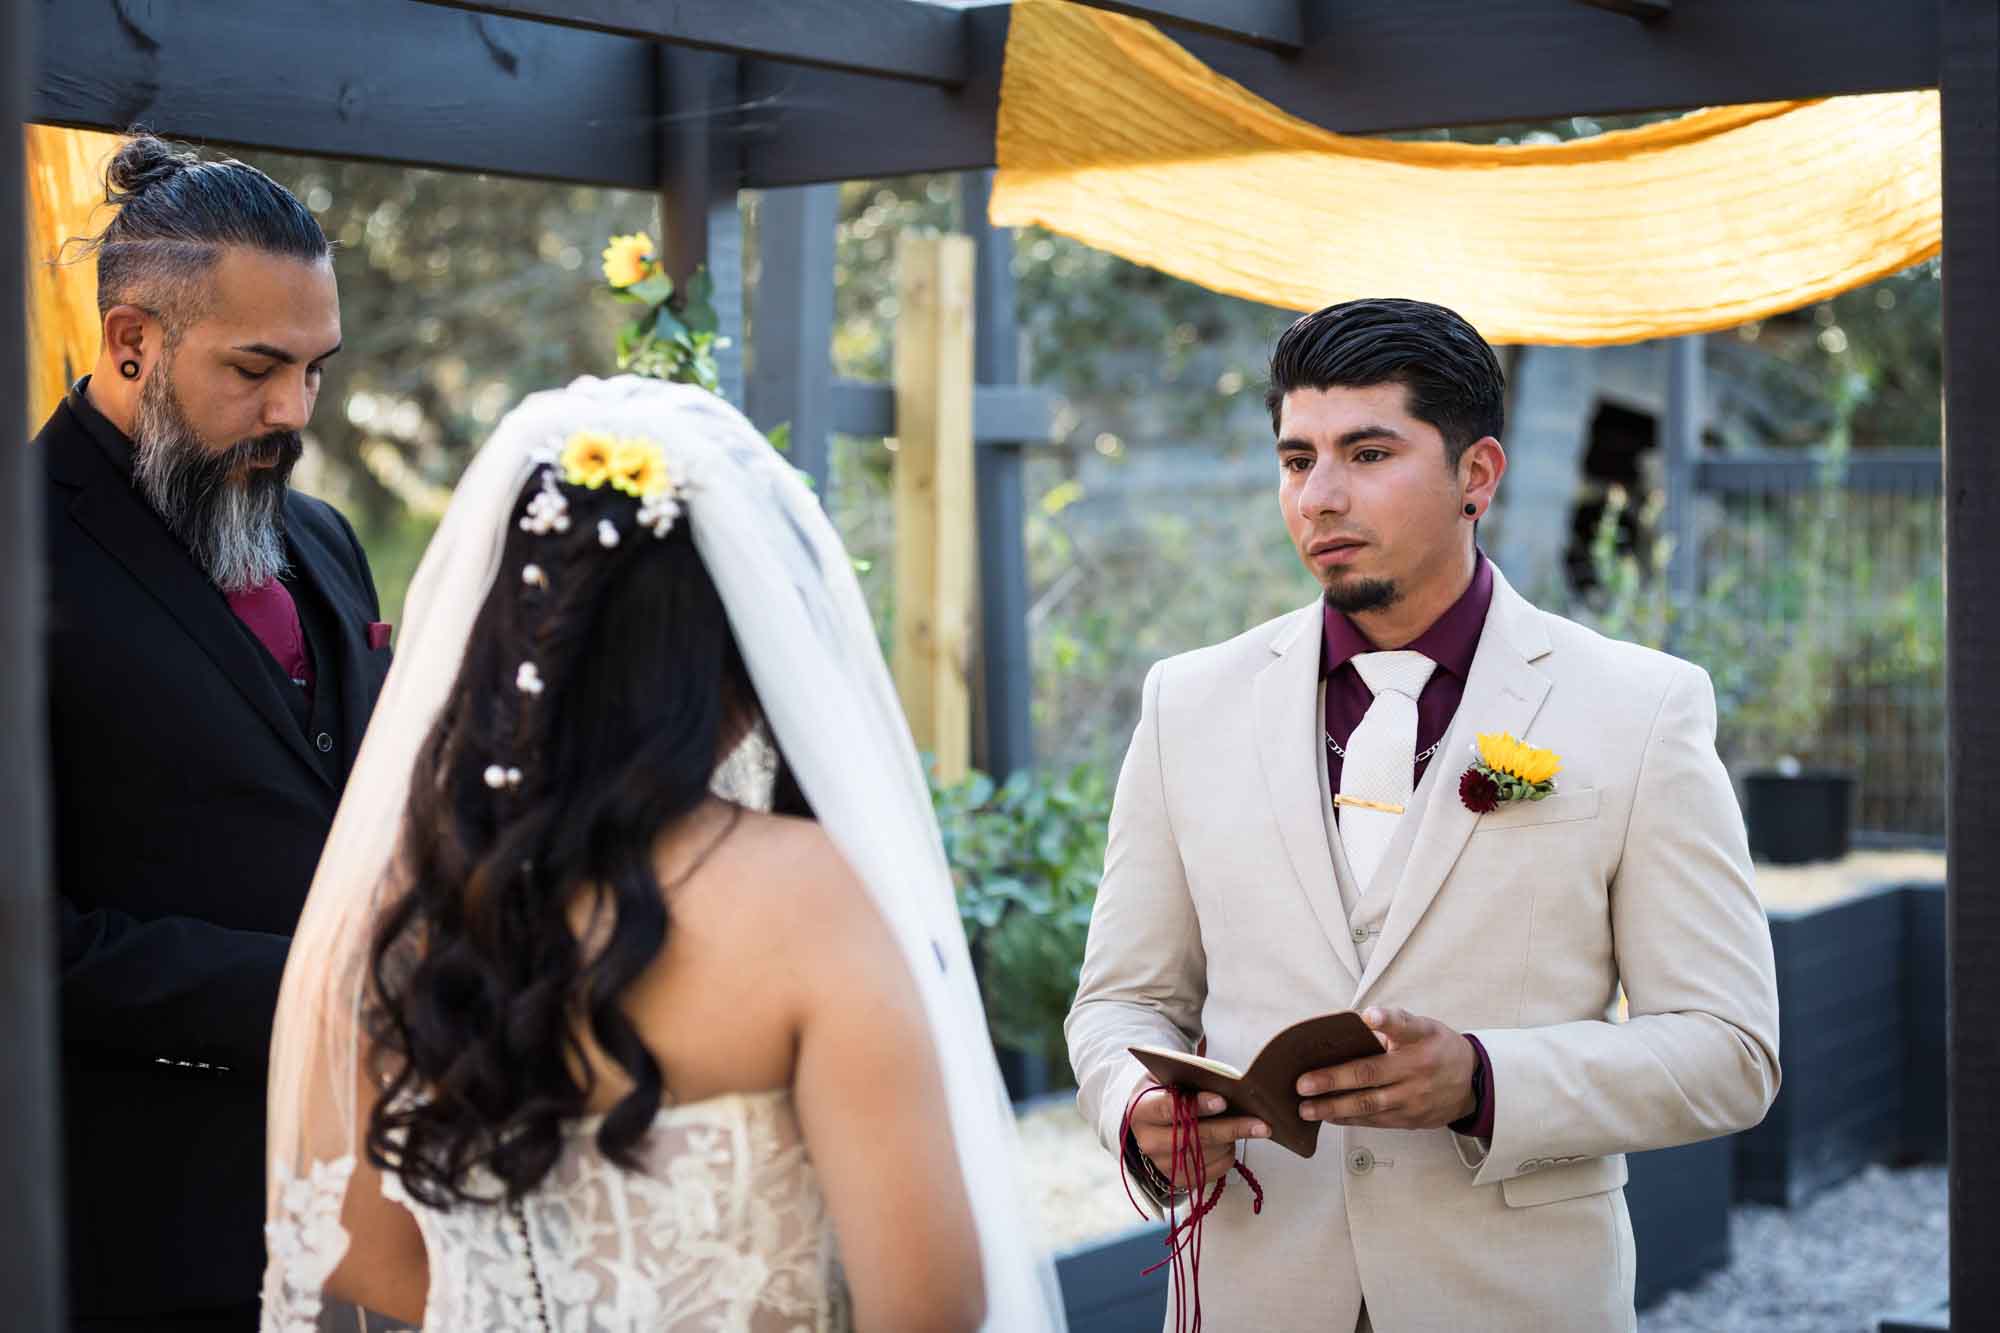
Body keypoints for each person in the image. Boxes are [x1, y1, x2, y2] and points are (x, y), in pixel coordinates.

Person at [261, 375, 1067, 1332]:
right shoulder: (801, 898)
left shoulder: (407, 895)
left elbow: (352, 1243)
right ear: (722, 662)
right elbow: (931, 1303)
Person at [1066, 298, 1780, 1331]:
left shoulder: (1639, 708)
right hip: (1248, 1292)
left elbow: (1728, 1049)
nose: (1318, 496)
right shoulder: (1188, 704)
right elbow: (1118, 1003)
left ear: (1476, 474)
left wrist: (1485, 1079)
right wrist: (1131, 1114)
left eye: (1364, 452)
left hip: (1512, 1297)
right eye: (1295, 458)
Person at [36, 132, 387, 1330]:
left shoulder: (327, 537)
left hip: (370, 1199)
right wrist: (313, 993)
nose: (293, 411)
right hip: (136, 1218)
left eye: (316, 369)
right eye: (256, 368)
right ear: (132, 342)